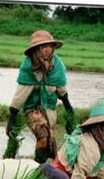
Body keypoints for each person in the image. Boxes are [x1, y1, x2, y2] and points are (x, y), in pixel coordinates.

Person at [5, 30, 75, 163]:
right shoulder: (28, 66)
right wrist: (12, 118)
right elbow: (21, 94)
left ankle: (43, 170)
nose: (47, 50)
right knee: (43, 137)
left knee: (50, 142)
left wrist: (69, 109)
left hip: (49, 107)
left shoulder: (57, 65)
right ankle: (37, 171)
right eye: (43, 47)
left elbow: (61, 89)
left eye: (50, 46)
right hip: (32, 108)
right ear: (36, 49)